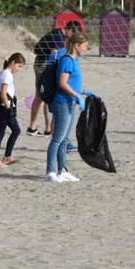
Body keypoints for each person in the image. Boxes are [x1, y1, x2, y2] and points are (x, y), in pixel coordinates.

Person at [46, 29, 92, 183]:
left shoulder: (75, 61)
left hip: (71, 102)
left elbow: (73, 84)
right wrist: (77, 96)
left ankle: (62, 170)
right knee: (57, 139)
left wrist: (84, 93)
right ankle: (51, 171)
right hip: (63, 102)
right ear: (77, 45)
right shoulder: (66, 60)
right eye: (85, 46)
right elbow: (62, 83)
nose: (86, 49)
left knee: (65, 140)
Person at [28, 24, 70, 135]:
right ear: (69, 30)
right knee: (44, 96)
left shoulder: (56, 34)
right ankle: (40, 127)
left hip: (41, 64)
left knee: (43, 96)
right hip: (43, 66)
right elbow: (54, 53)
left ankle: (42, 128)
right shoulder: (58, 35)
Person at [0, 53, 25, 166]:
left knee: (16, 130)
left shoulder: (7, 73)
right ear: (13, 63)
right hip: (3, 108)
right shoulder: (6, 74)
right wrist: (7, 105)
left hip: (7, 106)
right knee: (1, 133)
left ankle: (7, 156)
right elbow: (3, 92)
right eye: (19, 66)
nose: (19, 69)